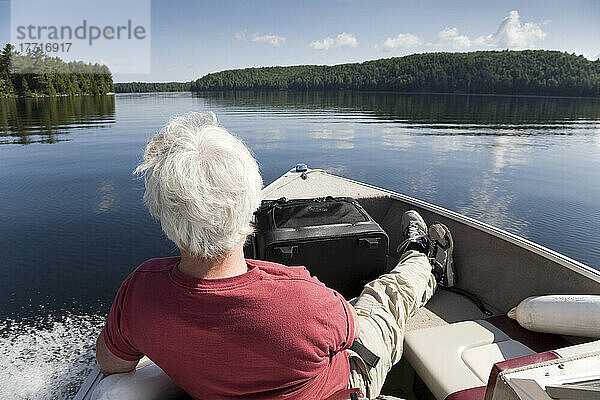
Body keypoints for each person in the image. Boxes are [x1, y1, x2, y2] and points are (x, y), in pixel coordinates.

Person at [96, 112, 455, 400]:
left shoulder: (139, 293)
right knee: (382, 300)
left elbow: (111, 364)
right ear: (252, 204)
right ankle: (424, 259)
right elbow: (351, 331)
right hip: (345, 383)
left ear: (162, 214)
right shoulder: (302, 295)